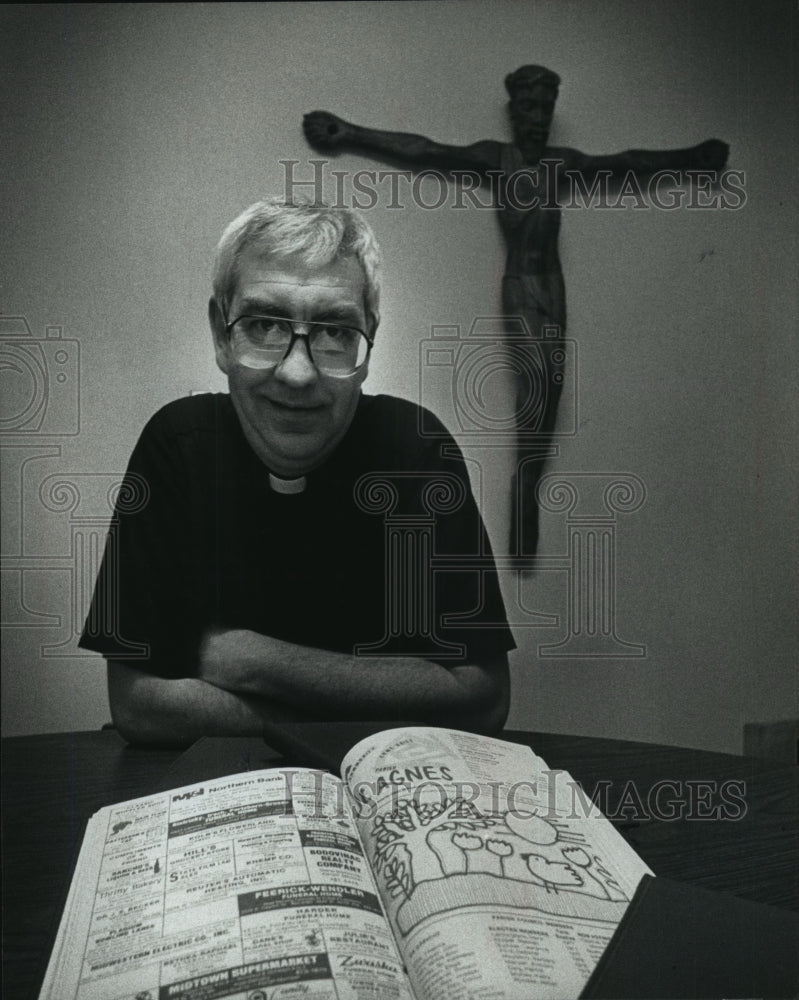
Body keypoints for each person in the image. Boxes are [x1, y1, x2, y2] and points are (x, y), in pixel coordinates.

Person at [79, 199, 514, 745]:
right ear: (221, 334)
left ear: (368, 342)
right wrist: (367, 704)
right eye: (263, 324)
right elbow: (139, 704)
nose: (298, 372)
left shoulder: (415, 451)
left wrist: (255, 661)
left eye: (334, 330)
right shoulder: (177, 445)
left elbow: (484, 699)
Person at [303, 65, 729, 553]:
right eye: (529, 107)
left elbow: (628, 162)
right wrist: (349, 132)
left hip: (554, 284)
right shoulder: (497, 160)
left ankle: (531, 479)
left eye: (545, 108)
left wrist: (693, 158)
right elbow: (426, 150)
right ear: (513, 112)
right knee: (534, 384)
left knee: (553, 384)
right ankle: (524, 487)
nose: (538, 117)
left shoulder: (559, 165)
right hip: (521, 285)